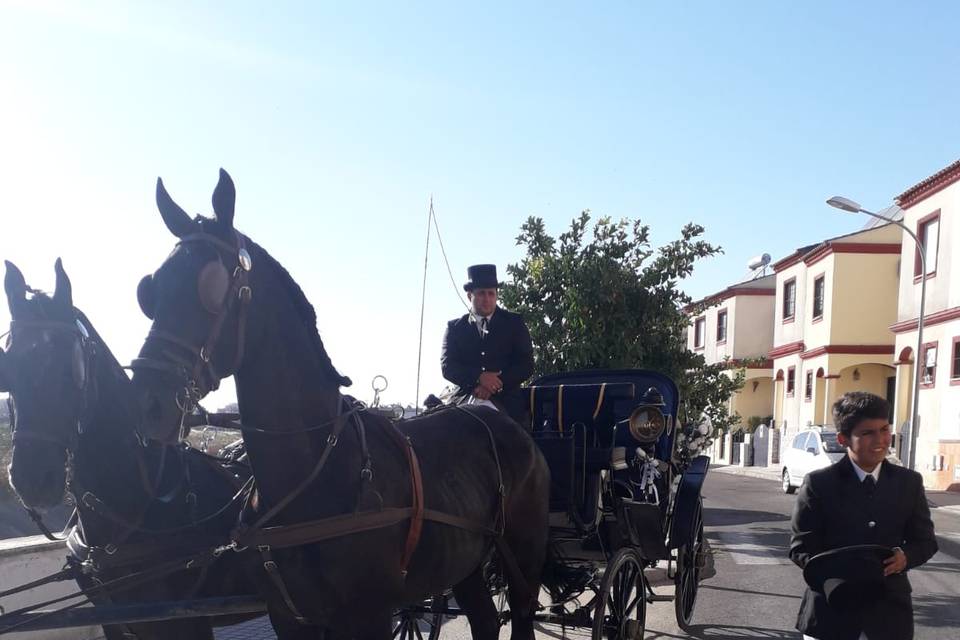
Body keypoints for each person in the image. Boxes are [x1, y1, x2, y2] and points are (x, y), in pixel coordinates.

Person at [789, 391, 938, 640]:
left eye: (884, 429)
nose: (880, 440)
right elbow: (800, 547)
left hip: (890, 613)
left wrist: (906, 557)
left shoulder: (908, 482)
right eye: (867, 433)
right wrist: (838, 571)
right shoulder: (819, 483)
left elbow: (926, 541)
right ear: (843, 438)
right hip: (830, 610)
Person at [440, 264, 534, 425]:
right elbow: (448, 366)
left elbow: (526, 364)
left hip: (507, 402)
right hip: (465, 397)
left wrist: (495, 384)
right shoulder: (455, 328)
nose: (487, 299)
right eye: (482, 293)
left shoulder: (514, 323)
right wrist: (478, 377)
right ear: (470, 296)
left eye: (491, 294)